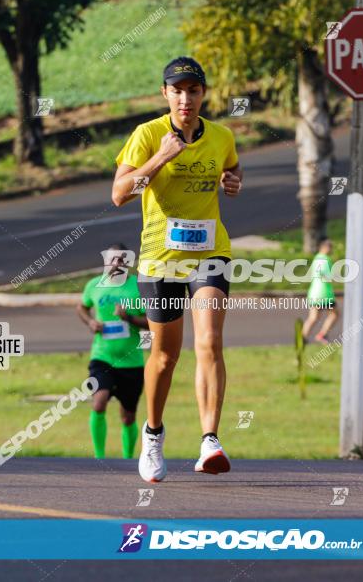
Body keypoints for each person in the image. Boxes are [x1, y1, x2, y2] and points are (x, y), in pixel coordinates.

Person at [111, 56, 243, 483]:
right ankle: (152, 436)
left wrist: (232, 181)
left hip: (210, 253)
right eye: (178, 90)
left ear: (203, 94)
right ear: (165, 94)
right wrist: (160, 159)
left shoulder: (221, 136)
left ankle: (210, 440)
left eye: (194, 90)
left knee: (210, 341)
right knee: (165, 356)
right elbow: (119, 194)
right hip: (160, 261)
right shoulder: (147, 135)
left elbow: (232, 164)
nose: (186, 98)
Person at [76, 243, 148, 459]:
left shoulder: (138, 286)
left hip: (132, 361)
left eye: (121, 260)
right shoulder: (94, 285)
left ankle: (127, 458)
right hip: (102, 357)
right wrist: (90, 322)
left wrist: (130, 318)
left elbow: (152, 322)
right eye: (112, 259)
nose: (117, 263)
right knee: (99, 402)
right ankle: (99, 457)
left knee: (128, 417)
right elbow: (81, 307)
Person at [302, 238, 339, 344]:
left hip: (314, 292)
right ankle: (322, 334)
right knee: (335, 314)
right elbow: (326, 276)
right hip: (324, 293)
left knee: (313, 317)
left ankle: (303, 337)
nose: (331, 250)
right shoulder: (325, 259)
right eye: (330, 247)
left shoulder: (316, 258)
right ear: (325, 247)